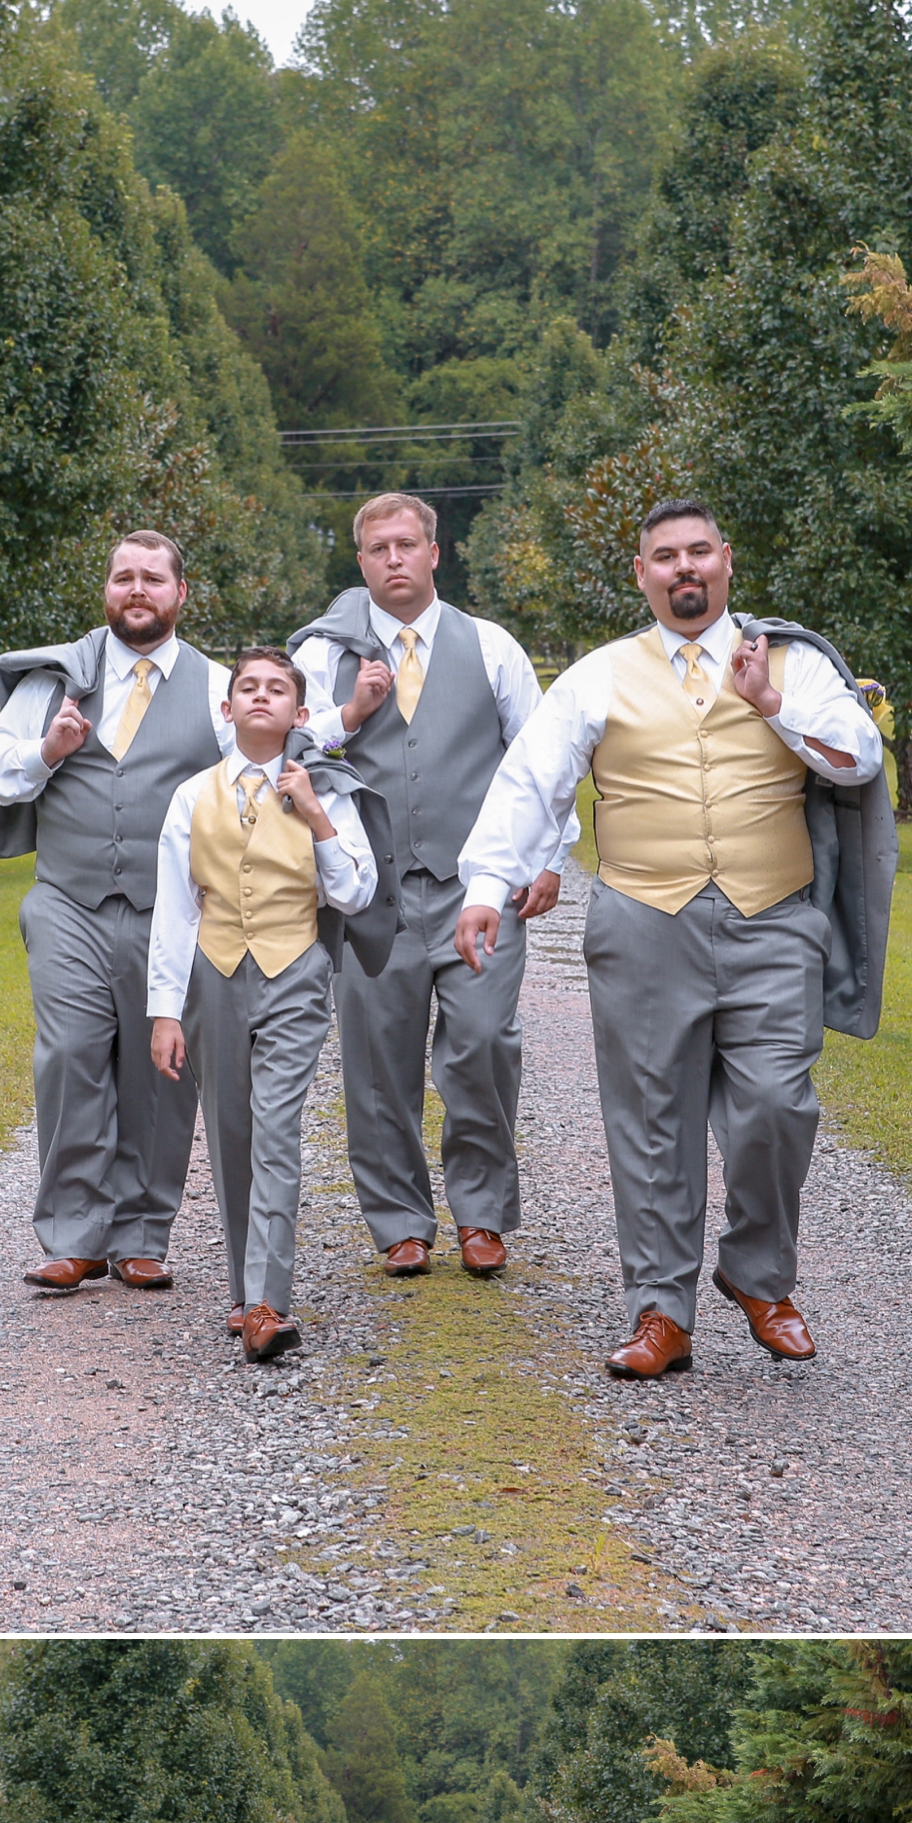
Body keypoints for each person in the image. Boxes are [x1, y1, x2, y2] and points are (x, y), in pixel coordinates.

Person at [455, 499, 893, 1376]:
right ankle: (661, 1311)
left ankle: (757, 1273)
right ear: (642, 574)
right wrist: (486, 887)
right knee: (651, 1118)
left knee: (778, 1105)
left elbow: (858, 756)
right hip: (643, 919)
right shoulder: (598, 675)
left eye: (699, 552)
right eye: (665, 556)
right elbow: (530, 781)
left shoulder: (791, 663)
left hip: (772, 915)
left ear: (727, 561)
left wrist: (767, 702)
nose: (683, 568)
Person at [290, 493, 579, 1280]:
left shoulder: (492, 648)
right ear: (361, 563)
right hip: (368, 893)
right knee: (377, 1061)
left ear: (433, 552)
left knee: (483, 1045)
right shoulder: (324, 657)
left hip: (475, 886)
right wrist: (351, 711)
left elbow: (543, 762)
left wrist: (551, 858)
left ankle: (481, 1215)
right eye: (378, 548)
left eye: (406, 544)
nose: (393, 559)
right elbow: (290, 749)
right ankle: (400, 1223)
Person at [0, 530, 229, 1294]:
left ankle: (143, 1234)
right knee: (70, 1057)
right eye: (124, 578)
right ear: (107, 593)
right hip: (69, 903)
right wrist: (47, 751)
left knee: (162, 1069)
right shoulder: (55, 679)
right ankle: (73, 1236)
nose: (138, 590)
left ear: (182, 594)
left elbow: (245, 778)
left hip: (171, 909)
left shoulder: (216, 686)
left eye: (154, 578)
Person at [147, 646, 391, 1360]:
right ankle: (241, 1289)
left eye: (276, 689)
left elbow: (355, 893)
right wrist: (166, 1009)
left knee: (277, 1127)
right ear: (227, 710)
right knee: (229, 1136)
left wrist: (314, 814)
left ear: (300, 712)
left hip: (295, 973)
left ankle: (268, 1303)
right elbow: (175, 911)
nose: (260, 697)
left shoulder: (330, 791)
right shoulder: (192, 796)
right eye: (246, 688)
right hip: (215, 973)